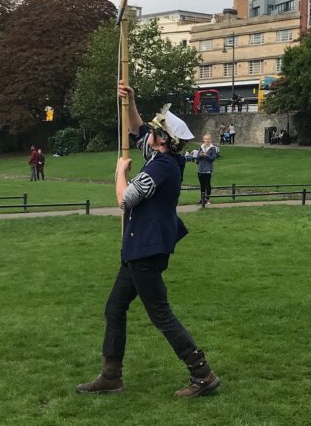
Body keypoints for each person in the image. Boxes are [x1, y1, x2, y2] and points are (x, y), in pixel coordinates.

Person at [76, 81, 220, 398]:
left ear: (163, 140)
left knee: (160, 314)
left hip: (146, 249)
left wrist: (118, 171)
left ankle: (203, 374)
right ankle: (111, 376)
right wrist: (131, 100)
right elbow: (138, 127)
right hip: (137, 248)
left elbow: (125, 199)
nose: (150, 133)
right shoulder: (159, 156)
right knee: (115, 309)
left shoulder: (162, 168)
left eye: (156, 131)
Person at [193, 134, 220, 207]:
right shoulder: (201, 147)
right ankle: (202, 199)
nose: (207, 140)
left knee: (207, 184)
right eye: (205, 139)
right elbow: (197, 159)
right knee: (202, 185)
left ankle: (207, 199)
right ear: (203, 140)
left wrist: (206, 155)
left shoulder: (212, 148)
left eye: (208, 139)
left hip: (207, 169)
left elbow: (212, 159)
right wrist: (201, 155)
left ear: (210, 140)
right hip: (200, 169)